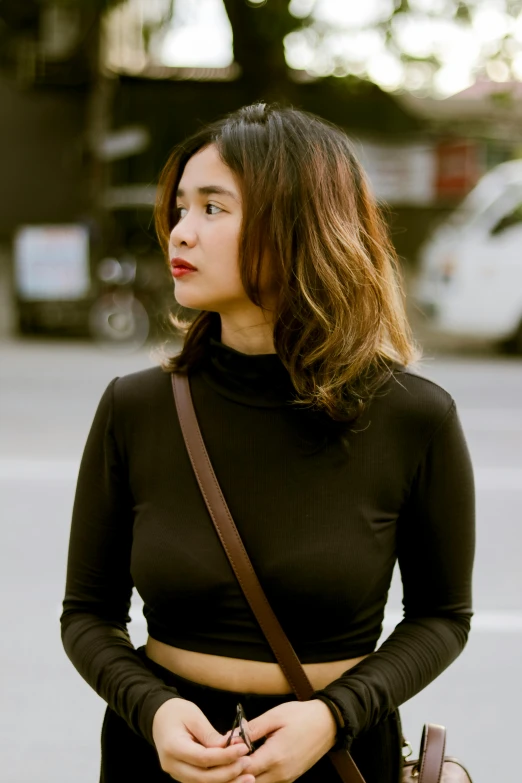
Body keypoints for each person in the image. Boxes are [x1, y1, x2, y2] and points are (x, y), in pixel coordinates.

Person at [60, 103, 475, 783]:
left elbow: (441, 616)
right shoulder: (135, 407)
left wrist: (334, 715)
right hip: (162, 760)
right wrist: (155, 709)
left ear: (298, 226)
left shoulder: (413, 417)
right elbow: (87, 613)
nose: (180, 232)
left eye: (213, 208)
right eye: (181, 207)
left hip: (333, 755)